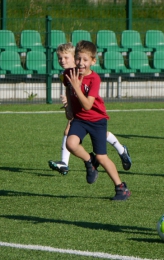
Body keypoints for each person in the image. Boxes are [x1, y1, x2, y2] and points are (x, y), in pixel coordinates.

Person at [48, 42, 132, 175]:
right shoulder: (67, 73)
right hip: (80, 113)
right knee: (73, 135)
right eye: (59, 58)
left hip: (92, 113)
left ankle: (66, 162)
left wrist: (73, 96)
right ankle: (119, 151)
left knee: (72, 132)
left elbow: (86, 100)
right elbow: (69, 88)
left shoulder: (87, 74)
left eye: (66, 57)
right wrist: (68, 104)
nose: (62, 61)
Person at [62, 40, 130, 200]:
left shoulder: (94, 79)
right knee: (70, 144)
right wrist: (69, 107)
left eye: (85, 60)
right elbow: (67, 86)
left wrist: (77, 88)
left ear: (93, 61)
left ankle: (121, 187)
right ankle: (89, 161)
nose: (80, 63)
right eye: (78, 59)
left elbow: (87, 105)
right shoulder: (68, 74)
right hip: (79, 119)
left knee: (102, 157)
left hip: (97, 120)